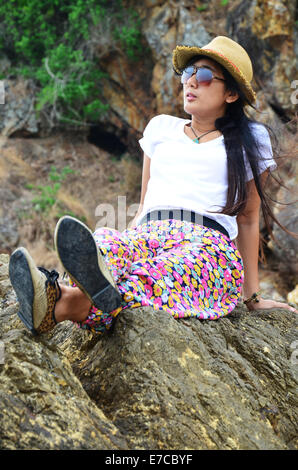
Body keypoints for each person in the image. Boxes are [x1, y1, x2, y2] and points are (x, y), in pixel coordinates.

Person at [8, 36, 297, 336]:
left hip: (207, 247)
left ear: (232, 94)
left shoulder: (252, 139)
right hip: (150, 233)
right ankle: (71, 296)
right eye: (189, 73)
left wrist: (252, 297)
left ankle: (56, 300)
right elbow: (145, 204)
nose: (192, 82)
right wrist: (129, 243)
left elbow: (248, 219)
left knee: (147, 277)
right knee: (107, 242)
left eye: (206, 75)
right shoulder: (160, 128)